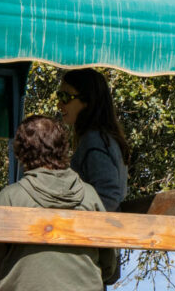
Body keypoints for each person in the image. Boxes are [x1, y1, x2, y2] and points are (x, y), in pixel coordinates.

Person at [0, 115, 117, 291]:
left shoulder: (10, 197)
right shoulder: (90, 195)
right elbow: (110, 266)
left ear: (21, 152)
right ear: (63, 148)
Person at [56, 67, 130, 213]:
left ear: (87, 101)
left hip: (97, 226)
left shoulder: (94, 140)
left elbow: (108, 198)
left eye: (65, 97)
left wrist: (69, 215)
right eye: (59, 96)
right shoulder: (105, 137)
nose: (59, 104)